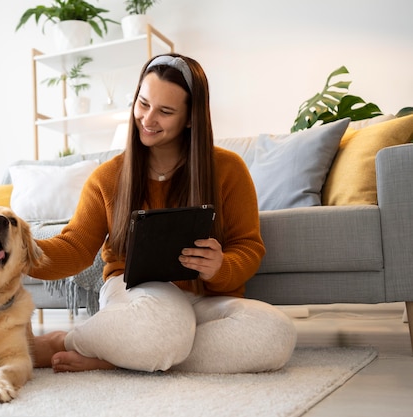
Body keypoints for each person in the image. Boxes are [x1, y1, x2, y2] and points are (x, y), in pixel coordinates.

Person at [30, 53, 297, 374]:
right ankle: (70, 342)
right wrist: (19, 252)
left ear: (189, 118)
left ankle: (119, 354)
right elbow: (75, 248)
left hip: (202, 299)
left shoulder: (229, 169)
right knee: (164, 328)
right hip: (137, 296)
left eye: (165, 111)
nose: (147, 119)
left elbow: (249, 246)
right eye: (143, 104)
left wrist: (221, 266)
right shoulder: (108, 177)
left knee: (275, 332)